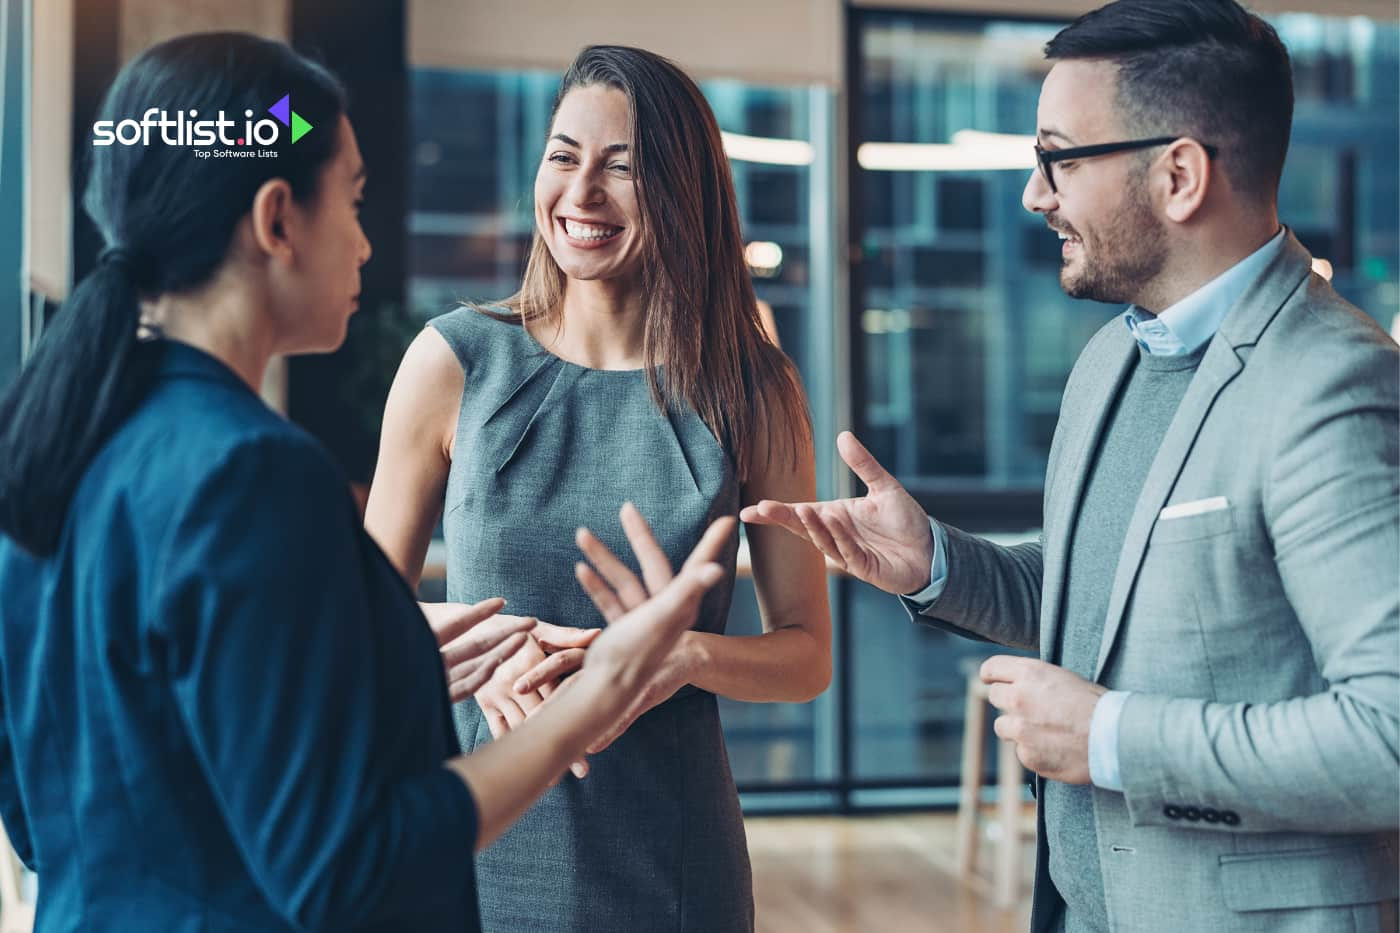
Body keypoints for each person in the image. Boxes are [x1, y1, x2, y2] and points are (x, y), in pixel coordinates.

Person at [0, 32, 735, 932]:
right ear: (278, 220)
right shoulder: (253, 472)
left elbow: (43, 807)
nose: (364, 241)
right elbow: (349, 867)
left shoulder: (55, 436)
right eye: (350, 199)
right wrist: (594, 699)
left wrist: (379, 653)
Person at [743, 2, 1400, 931]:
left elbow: (1390, 733)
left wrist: (1111, 739)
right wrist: (936, 560)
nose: (1034, 194)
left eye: (1059, 157)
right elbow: (1108, 600)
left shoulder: (1332, 384)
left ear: (1178, 174)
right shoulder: (1110, 361)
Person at [365, 44, 831, 933]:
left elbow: (807, 653)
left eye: (622, 168)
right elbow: (358, 629)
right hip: (474, 842)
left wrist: (682, 655)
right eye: (563, 156)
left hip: (672, 860)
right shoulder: (453, 362)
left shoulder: (753, 387)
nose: (581, 194)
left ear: (684, 192)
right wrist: (466, 650)